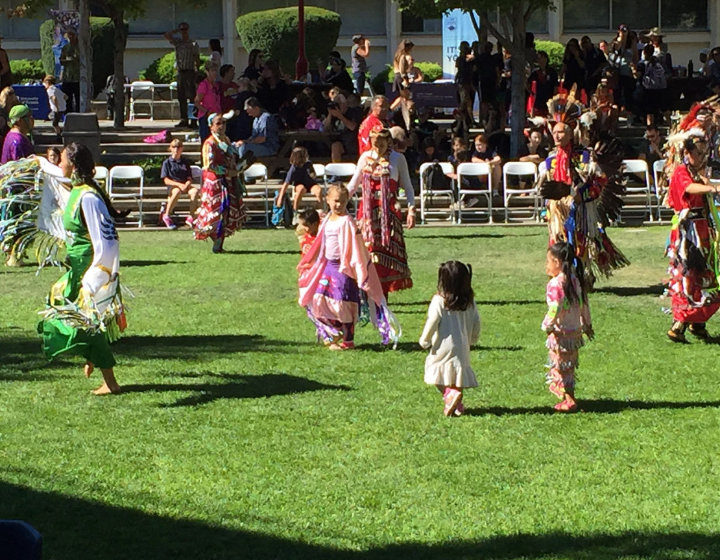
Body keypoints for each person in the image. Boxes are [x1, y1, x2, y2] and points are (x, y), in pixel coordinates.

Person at [39, 142, 128, 395]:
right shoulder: (78, 190)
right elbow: (55, 174)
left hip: (89, 270)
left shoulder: (88, 197)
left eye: (63, 160)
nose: (60, 164)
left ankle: (109, 380)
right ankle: (92, 357)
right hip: (77, 268)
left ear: (74, 165)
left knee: (85, 321)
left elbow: (107, 239)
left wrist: (96, 276)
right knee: (61, 310)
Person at [297, 184, 399, 350]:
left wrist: (359, 266)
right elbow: (320, 244)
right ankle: (333, 331)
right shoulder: (327, 220)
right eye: (336, 201)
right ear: (327, 200)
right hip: (328, 266)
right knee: (318, 298)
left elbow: (356, 246)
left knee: (343, 303)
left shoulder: (347, 222)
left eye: (343, 202)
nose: (339, 205)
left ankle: (348, 341)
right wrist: (310, 262)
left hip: (344, 269)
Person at [347, 126, 415, 296]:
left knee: (385, 252)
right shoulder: (365, 158)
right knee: (366, 252)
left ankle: (381, 293)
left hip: (388, 213)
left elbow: (407, 186)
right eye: (374, 144)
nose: (378, 148)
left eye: (381, 144)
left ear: (389, 142)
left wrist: (411, 209)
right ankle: (365, 291)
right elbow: (354, 184)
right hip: (368, 212)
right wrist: (339, 202)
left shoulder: (398, 159)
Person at [665, 134, 720, 342]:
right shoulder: (681, 172)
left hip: (702, 230)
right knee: (688, 274)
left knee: (705, 274)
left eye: (705, 153)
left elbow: (703, 184)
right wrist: (713, 188)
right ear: (687, 153)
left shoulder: (696, 173)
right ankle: (679, 323)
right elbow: (689, 189)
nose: (703, 157)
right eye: (698, 153)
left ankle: (697, 323)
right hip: (688, 233)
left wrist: (711, 184)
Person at [419, 261, 480, 417]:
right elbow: (476, 322)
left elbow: (432, 321)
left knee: (434, 369)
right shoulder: (469, 302)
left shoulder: (440, 300)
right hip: (462, 346)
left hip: (443, 346)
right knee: (457, 374)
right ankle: (457, 404)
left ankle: (448, 394)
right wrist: (473, 339)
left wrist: (424, 340)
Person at [542, 241, 593, 413]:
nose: (546, 265)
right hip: (574, 332)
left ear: (557, 263)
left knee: (559, 366)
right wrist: (587, 324)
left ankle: (569, 399)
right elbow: (583, 303)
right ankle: (568, 397)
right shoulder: (574, 280)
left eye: (548, 261)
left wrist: (547, 325)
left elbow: (555, 307)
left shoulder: (556, 284)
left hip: (560, 332)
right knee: (568, 366)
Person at [193, 112, 247, 253]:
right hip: (215, 184)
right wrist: (228, 172)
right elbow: (210, 165)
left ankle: (219, 244)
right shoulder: (209, 143)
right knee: (214, 213)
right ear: (211, 126)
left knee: (227, 212)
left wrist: (238, 167)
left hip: (228, 182)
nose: (222, 126)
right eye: (218, 123)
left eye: (223, 123)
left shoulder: (226, 140)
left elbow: (231, 158)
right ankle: (215, 241)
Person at [164, 23, 201, 128]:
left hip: (190, 71)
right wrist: (177, 30)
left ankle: (193, 120)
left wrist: (197, 71)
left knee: (192, 97)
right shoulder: (178, 42)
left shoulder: (193, 43)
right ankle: (184, 119)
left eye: (185, 29)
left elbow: (197, 58)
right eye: (182, 30)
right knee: (181, 96)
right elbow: (166, 35)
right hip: (181, 71)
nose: (184, 32)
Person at [274, 146, 322, 219]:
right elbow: (286, 184)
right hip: (299, 184)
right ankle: (295, 212)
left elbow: (313, 174)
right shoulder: (293, 169)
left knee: (319, 190)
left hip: (310, 184)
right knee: (301, 189)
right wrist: (280, 198)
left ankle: (320, 211)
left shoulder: (308, 164)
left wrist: (312, 175)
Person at [161, 138, 199, 229]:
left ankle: (191, 216)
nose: (176, 149)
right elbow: (166, 180)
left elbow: (189, 178)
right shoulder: (167, 163)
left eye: (178, 147)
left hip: (185, 184)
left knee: (195, 191)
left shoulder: (185, 162)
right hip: (173, 185)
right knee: (177, 191)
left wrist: (186, 184)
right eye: (174, 147)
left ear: (182, 148)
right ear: (170, 148)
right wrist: (179, 185)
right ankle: (166, 215)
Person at [195, 63, 221, 143]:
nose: (215, 73)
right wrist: (206, 112)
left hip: (216, 116)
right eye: (213, 71)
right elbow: (197, 102)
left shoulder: (216, 85)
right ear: (207, 72)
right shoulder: (204, 85)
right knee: (206, 140)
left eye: (216, 71)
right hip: (205, 117)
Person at [59, 31, 80, 113]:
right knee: (68, 98)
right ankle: (68, 115)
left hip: (77, 77)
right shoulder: (65, 47)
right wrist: (67, 60)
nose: (70, 37)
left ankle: (79, 114)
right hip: (67, 77)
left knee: (78, 98)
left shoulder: (80, 47)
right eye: (69, 35)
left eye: (72, 35)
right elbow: (61, 60)